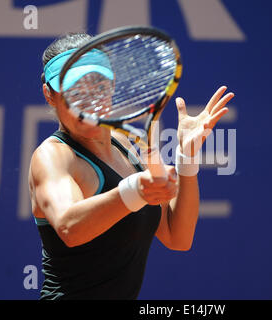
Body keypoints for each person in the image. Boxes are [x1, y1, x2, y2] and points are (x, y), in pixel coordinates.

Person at [29, 32, 234, 299]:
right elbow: (70, 228)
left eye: (99, 87)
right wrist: (135, 190)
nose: (89, 102)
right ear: (50, 95)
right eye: (75, 92)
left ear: (112, 87)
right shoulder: (52, 157)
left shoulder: (128, 144)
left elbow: (177, 236)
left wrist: (186, 157)